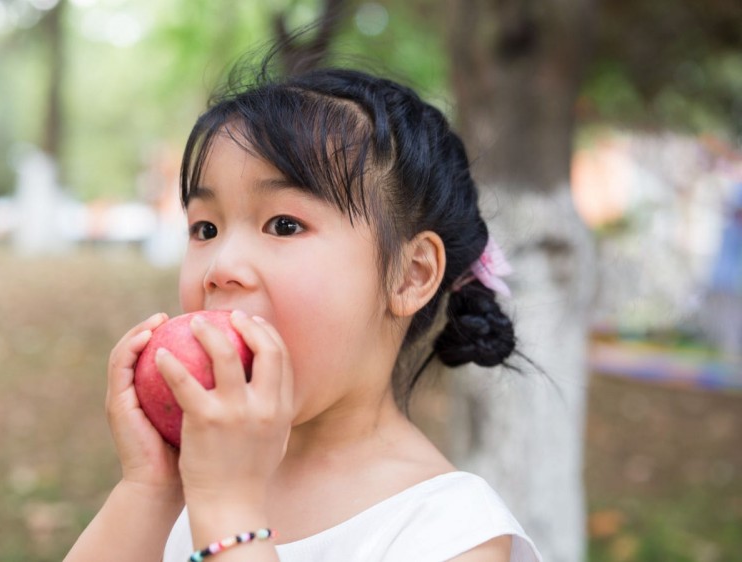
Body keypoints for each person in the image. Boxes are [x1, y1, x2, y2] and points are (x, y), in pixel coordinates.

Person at [64, 57, 542, 562]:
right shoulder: (198, 481)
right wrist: (151, 488)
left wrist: (230, 509)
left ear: (411, 274)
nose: (222, 266)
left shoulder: (451, 530)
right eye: (206, 229)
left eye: (284, 225)